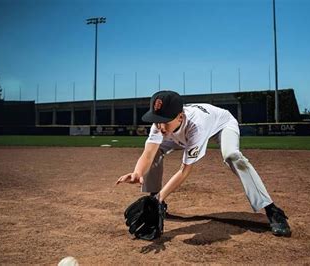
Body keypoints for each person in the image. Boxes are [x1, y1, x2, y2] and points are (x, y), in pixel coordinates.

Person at [116, 90, 291, 237]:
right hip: (180, 134)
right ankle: (156, 200)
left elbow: (184, 171)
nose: (160, 126)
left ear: (180, 117)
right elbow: (148, 153)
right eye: (157, 119)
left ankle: (272, 209)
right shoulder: (162, 124)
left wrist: (160, 197)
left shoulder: (196, 126)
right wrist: (138, 172)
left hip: (222, 125)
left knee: (232, 156)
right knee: (156, 153)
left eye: (164, 120)